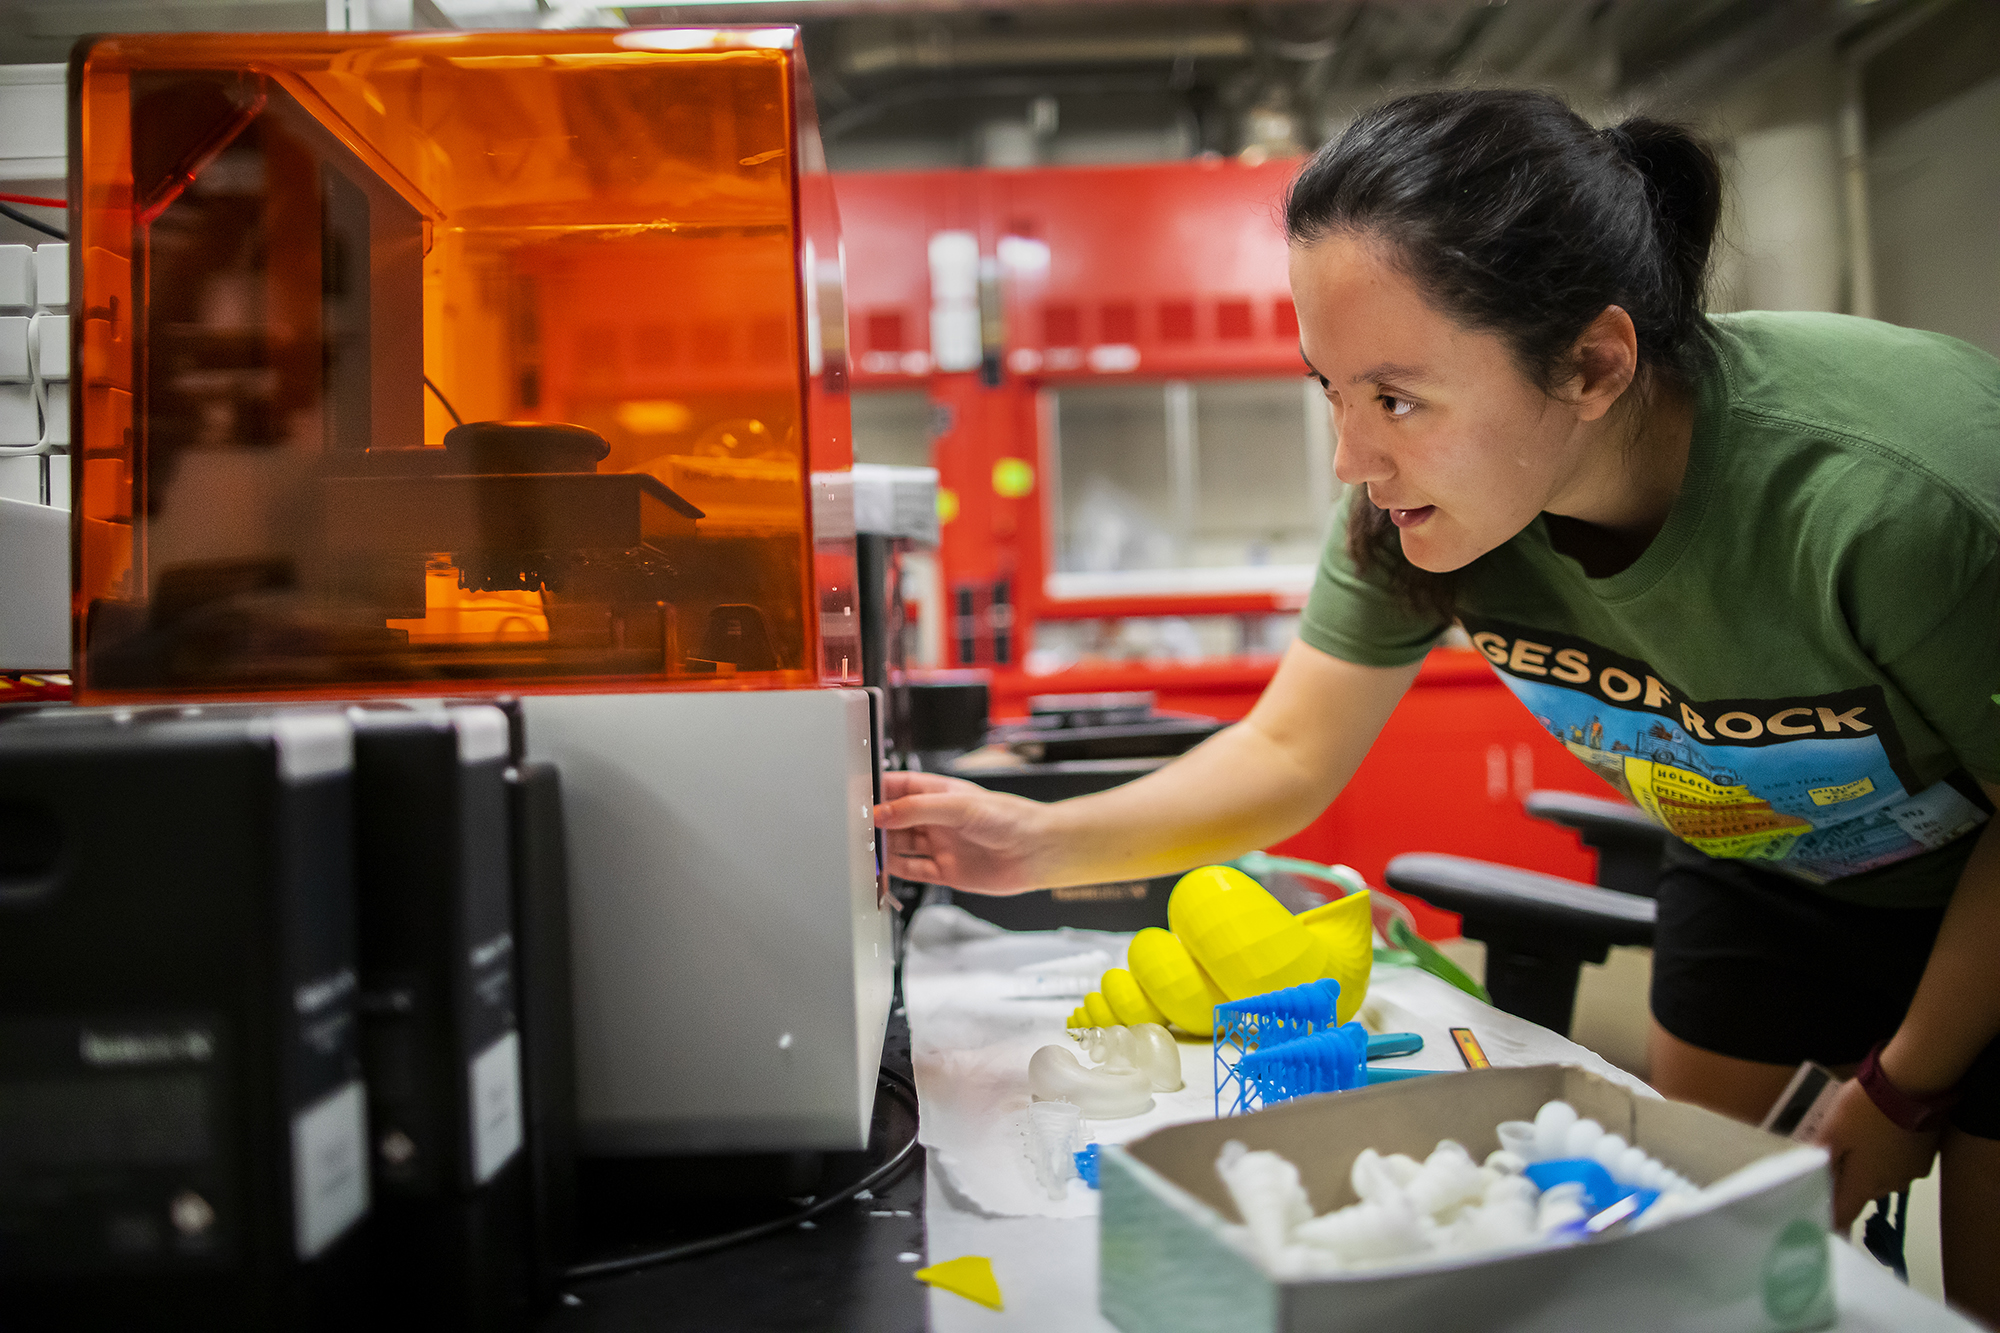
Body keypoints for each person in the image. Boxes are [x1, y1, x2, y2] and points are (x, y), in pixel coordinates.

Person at [874, 89, 2000, 1322]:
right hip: (1755, 865)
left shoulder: (1893, 499)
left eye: (1396, 398)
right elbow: (1291, 750)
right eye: (1329, 390)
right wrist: (1034, 841)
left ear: (1591, 362)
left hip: (1977, 889)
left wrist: (1901, 1088)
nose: (1351, 459)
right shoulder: (1420, 517)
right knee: (1678, 1263)